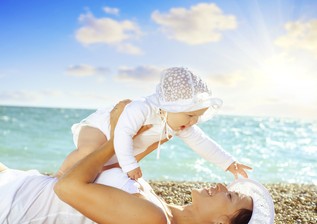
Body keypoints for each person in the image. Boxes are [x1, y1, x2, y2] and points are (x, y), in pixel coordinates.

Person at [0, 101, 274, 224]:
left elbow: (67, 186)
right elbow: (98, 172)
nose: (221, 185)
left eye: (229, 195)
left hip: (12, 207)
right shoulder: (161, 211)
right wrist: (138, 145)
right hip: (21, 184)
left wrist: (119, 133)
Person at [56, 67, 252, 192]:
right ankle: (59, 175)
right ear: (172, 106)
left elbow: (202, 143)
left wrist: (229, 163)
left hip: (124, 146)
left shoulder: (180, 124)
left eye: (197, 117)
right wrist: (130, 165)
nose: (194, 121)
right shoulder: (141, 108)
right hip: (100, 128)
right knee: (89, 152)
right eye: (190, 115)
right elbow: (122, 133)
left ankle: (80, 180)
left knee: (102, 169)